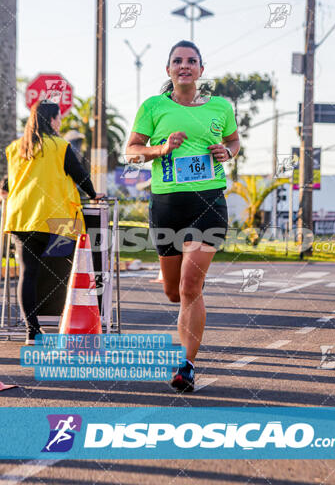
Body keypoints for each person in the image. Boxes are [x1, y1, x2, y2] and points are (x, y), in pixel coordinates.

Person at [125, 40, 240, 392]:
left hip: (208, 203)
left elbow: (235, 142)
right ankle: (188, 298)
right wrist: (160, 148)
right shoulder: (153, 107)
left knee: (191, 286)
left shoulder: (221, 107)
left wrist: (227, 151)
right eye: (178, 61)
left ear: (201, 70)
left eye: (192, 61)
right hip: (166, 207)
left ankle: (186, 365)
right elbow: (131, 151)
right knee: (175, 293)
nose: (185, 66)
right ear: (169, 70)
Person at [3, 100, 103, 344]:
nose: (60, 122)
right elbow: (79, 174)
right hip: (57, 218)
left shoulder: (16, 147)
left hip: (22, 217)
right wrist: (93, 194)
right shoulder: (60, 145)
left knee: (28, 274)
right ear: (52, 120)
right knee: (67, 269)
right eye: (59, 118)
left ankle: (33, 331)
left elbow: (7, 184)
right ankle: (70, 323)